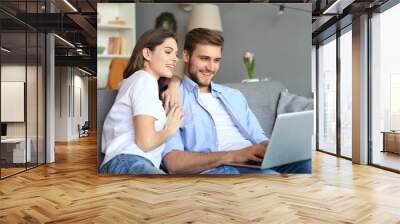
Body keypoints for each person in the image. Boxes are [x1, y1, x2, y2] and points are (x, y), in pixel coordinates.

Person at [161, 28, 311, 174]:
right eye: (204, 59)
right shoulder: (173, 97)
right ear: (186, 56)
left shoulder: (234, 95)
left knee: (307, 164)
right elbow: (173, 162)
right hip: (223, 167)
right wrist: (234, 155)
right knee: (269, 176)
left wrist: (275, 148)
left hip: (255, 160)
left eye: (216, 60)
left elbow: (260, 138)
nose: (211, 67)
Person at [100, 29, 183, 175]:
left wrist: (174, 83)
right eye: (168, 52)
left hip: (127, 163)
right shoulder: (144, 80)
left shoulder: (138, 81)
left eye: (176, 54)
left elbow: (182, 67)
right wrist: (169, 129)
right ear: (147, 54)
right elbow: (146, 143)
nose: (175, 59)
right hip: (129, 162)